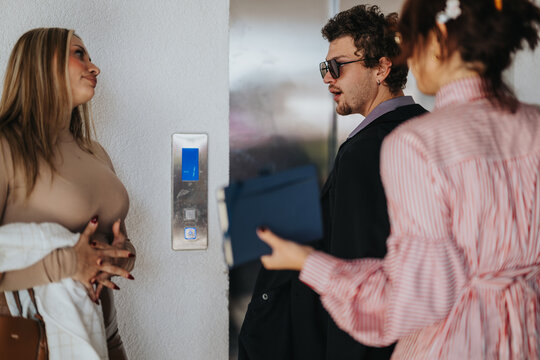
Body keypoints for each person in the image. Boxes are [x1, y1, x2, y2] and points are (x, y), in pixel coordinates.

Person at [257, 0, 540, 358]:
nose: (406, 53)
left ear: (437, 39)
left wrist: (306, 262)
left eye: (411, 40)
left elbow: (411, 301)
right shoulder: (534, 126)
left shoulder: (416, 144)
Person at [238, 5, 427, 360]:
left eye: (338, 66)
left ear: (381, 68)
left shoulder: (365, 150)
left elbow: (358, 270)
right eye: (325, 67)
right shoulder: (424, 128)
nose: (327, 78)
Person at [0, 28, 136, 359]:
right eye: (79, 54)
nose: (94, 67)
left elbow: (116, 240)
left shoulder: (95, 153)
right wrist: (66, 263)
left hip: (104, 336)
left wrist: (121, 255)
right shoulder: (7, 147)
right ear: (40, 64)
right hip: (33, 341)